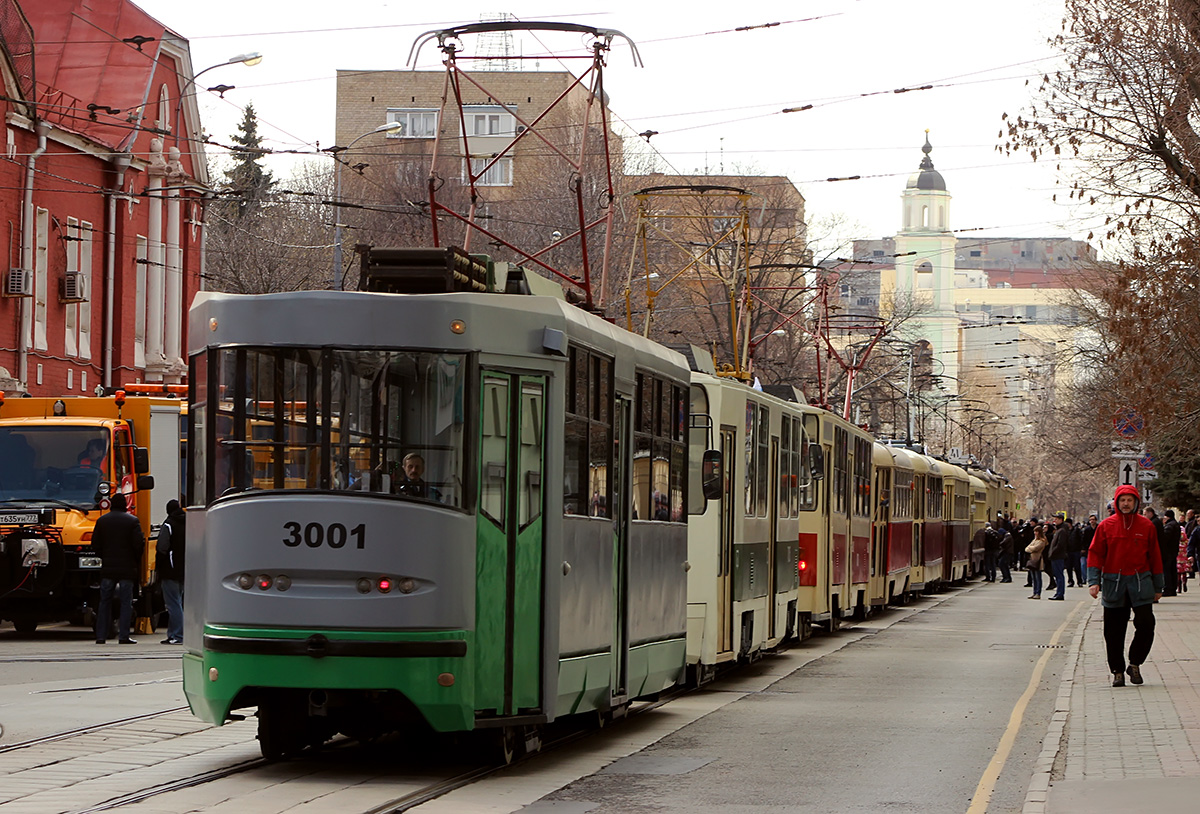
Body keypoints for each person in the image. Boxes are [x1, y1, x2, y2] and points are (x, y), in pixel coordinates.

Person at [1088, 484, 1164, 687]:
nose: (1126, 503)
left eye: (1130, 500)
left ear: (1136, 503)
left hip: (1141, 584)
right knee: (1113, 631)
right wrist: (1093, 582)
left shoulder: (1147, 526)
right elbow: (1095, 554)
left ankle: (1135, 662)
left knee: (1147, 625)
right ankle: (1118, 671)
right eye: (1122, 500)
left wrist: (1159, 586)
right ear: (1116, 503)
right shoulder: (1106, 526)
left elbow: (1155, 556)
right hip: (1114, 584)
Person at [93, 492, 144, 644]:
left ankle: (101, 636)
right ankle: (124, 635)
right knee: (125, 602)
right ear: (125, 505)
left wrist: (104, 557)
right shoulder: (133, 521)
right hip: (127, 568)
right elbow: (138, 545)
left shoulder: (102, 521)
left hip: (108, 568)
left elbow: (95, 544)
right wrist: (135, 560)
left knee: (104, 602)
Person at [156, 499, 186, 645]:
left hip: (170, 569)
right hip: (184, 570)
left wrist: (159, 567)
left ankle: (177, 635)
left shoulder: (169, 524)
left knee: (173, 604)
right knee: (178, 602)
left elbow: (162, 547)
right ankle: (175, 634)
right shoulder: (187, 522)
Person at [1048, 516, 1071, 600]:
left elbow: (1060, 544)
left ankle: (1060, 593)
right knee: (1057, 575)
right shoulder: (1059, 530)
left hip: (1058, 556)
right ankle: (1058, 592)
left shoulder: (1062, 531)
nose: (1055, 521)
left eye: (1056, 519)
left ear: (1061, 520)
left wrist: (1053, 552)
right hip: (1056, 556)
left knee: (1059, 575)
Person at [1159, 509, 1181, 597]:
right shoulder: (1176, 524)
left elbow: (1165, 538)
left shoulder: (1169, 526)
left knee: (1167, 571)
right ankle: (1173, 588)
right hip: (1173, 550)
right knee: (1172, 570)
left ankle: (1168, 588)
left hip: (1168, 551)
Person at [1025, 525, 1048, 599]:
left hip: (1038, 560)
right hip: (1032, 560)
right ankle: (1034, 592)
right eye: (1034, 531)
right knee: (1033, 577)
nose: (1035, 533)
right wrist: (1030, 548)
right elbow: (1027, 548)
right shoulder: (1034, 540)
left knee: (1038, 577)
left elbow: (1035, 548)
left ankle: (1038, 593)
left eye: (1036, 531)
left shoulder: (1042, 541)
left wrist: (1030, 548)